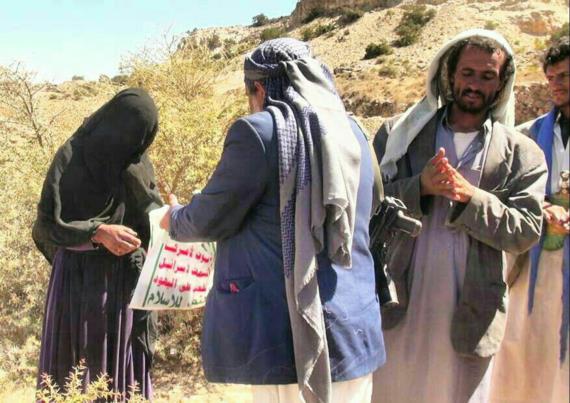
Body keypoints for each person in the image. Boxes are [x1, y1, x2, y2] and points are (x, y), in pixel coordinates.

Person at [160, 38, 385, 403]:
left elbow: (208, 219)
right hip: (355, 331)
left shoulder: (258, 132)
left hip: (289, 340)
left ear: (260, 89)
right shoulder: (353, 131)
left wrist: (174, 218)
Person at [371, 29, 547, 403]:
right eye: (467, 73)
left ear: (501, 84)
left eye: (487, 76)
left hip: (472, 309)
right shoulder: (400, 137)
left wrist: (471, 198)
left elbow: (526, 230)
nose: (475, 85)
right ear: (450, 75)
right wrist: (419, 186)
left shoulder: (523, 154)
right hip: (402, 300)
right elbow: (369, 204)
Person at [33, 88, 162, 399]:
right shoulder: (71, 157)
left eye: (142, 139)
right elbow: (48, 224)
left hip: (125, 286)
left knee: (123, 376)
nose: (134, 147)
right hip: (78, 285)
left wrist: (170, 217)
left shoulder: (135, 159)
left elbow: (149, 212)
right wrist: (98, 232)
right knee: (78, 369)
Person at [489, 36, 570, 403]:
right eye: (551, 77)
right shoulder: (529, 134)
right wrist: (543, 208)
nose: (556, 84)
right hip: (534, 262)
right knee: (523, 352)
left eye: (564, 76)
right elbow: (508, 192)